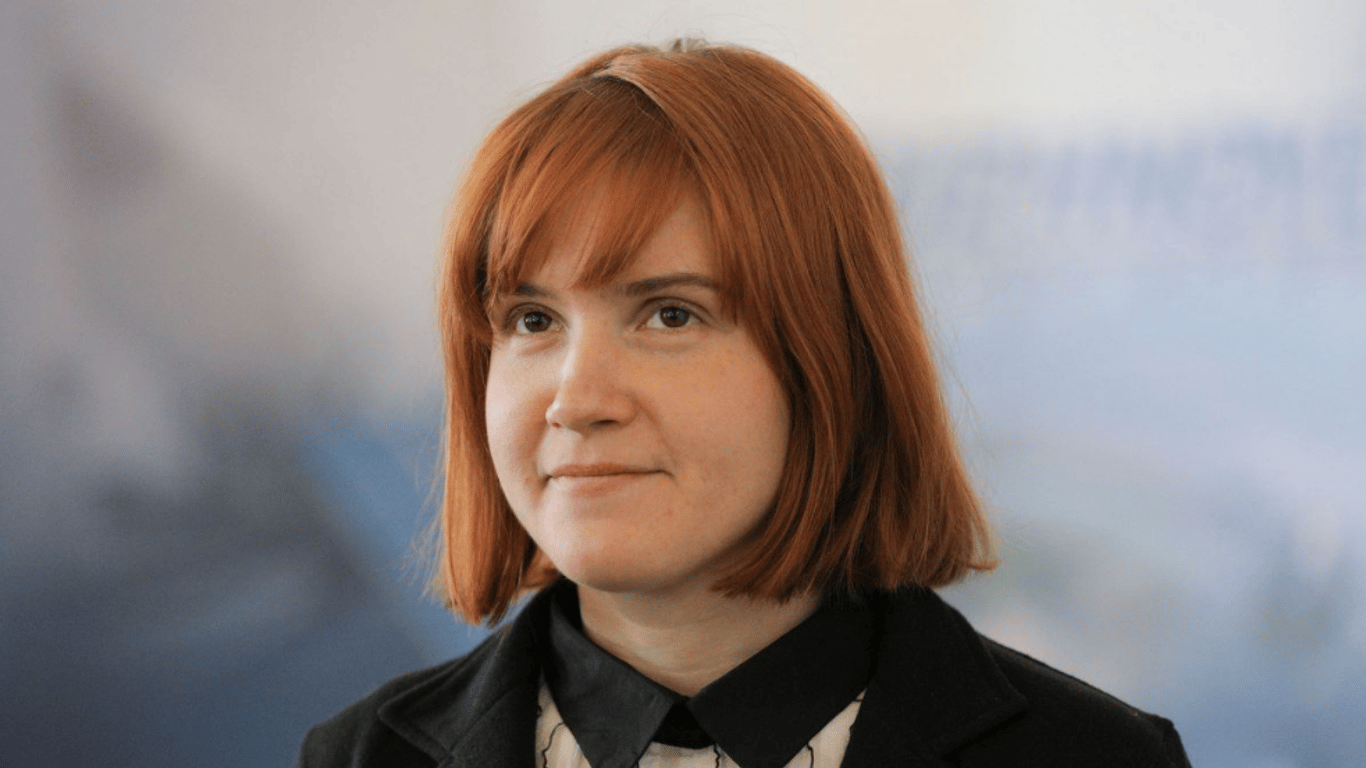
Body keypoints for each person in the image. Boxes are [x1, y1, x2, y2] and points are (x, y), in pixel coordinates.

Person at [297, 40, 1192, 768]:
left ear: (833, 361)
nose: (575, 399)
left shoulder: (1096, 759)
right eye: (532, 320)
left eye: (669, 314)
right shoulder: (360, 757)